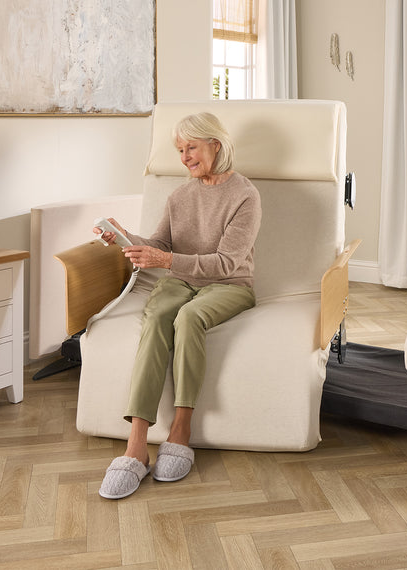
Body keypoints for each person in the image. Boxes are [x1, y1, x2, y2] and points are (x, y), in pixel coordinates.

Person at [93, 112, 261, 500]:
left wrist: (164, 262)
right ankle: (136, 444)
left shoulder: (245, 196)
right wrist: (122, 237)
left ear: (215, 145)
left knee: (189, 317)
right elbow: (161, 245)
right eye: (180, 150)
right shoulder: (180, 195)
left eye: (192, 147)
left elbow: (226, 264)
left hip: (230, 285)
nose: (185, 157)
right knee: (155, 317)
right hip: (181, 280)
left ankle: (180, 430)